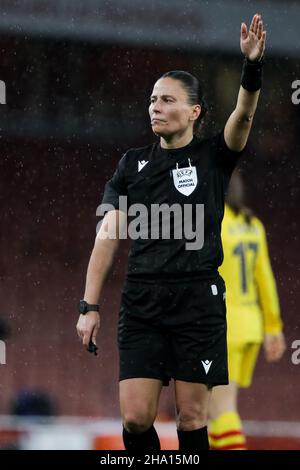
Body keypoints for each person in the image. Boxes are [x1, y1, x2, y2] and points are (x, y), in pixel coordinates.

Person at [76, 14, 266, 452]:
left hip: (197, 302)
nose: (154, 107)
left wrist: (251, 68)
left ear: (194, 111)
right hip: (142, 300)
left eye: (166, 100)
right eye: (152, 99)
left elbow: (245, 112)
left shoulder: (215, 156)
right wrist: (89, 305)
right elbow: (107, 237)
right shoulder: (131, 165)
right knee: (137, 418)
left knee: (193, 417)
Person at [208, 172, 286, 450]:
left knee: (222, 411)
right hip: (249, 326)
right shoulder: (253, 225)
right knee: (212, 413)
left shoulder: (212, 223)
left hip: (220, 327)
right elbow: (265, 280)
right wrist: (273, 328)